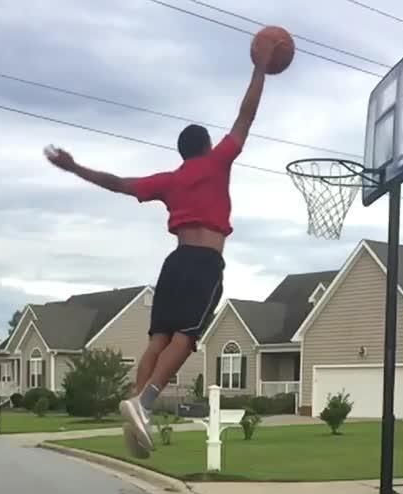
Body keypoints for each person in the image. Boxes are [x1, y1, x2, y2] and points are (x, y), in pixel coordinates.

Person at [45, 55, 272, 458]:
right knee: (185, 340)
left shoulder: (169, 181)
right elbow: (246, 115)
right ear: (205, 146)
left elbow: (117, 183)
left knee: (158, 339)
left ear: (182, 152)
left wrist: (73, 166)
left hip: (175, 262)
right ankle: (144, 403)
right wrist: (260, 67)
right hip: (204, 263)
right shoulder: (219, 161)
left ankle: (135, 402)